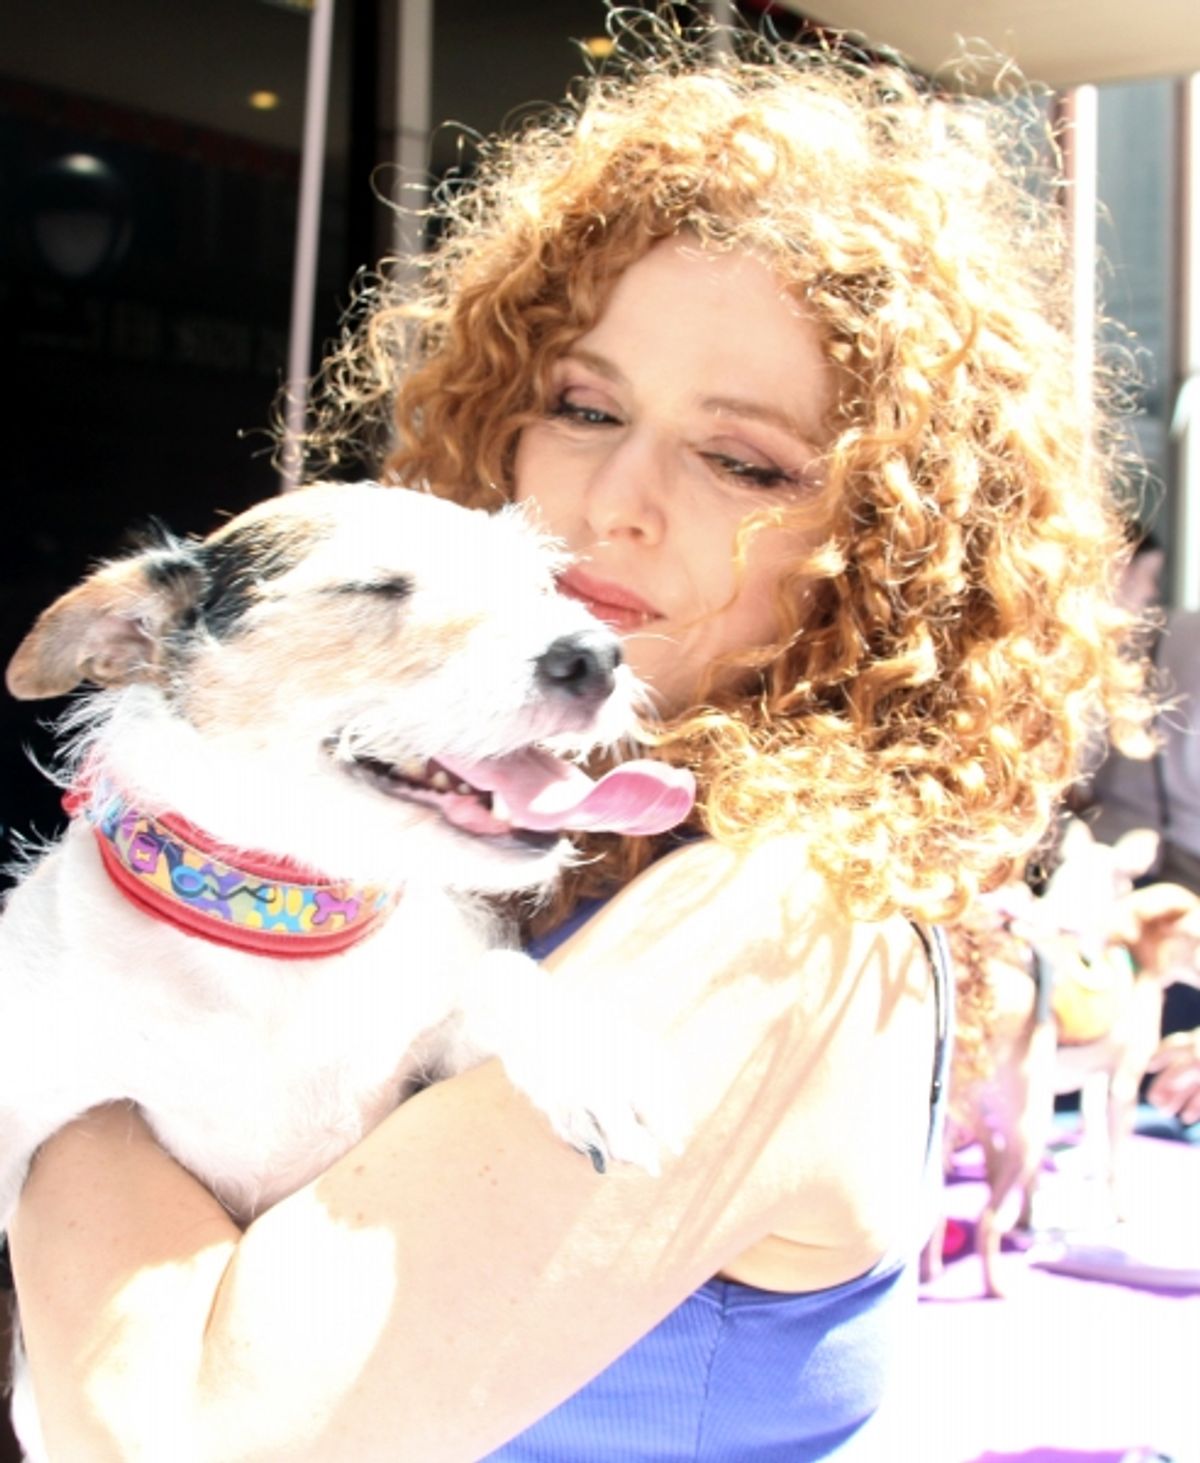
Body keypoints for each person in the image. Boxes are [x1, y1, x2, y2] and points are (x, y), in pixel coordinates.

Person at [6, 10, 1153, 1459]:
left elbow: (176, 1431)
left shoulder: (780, 924)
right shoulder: (493, 831)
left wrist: (89, 988)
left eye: (741, 458)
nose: (614, 496)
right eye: (582, 403)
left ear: (887, 555)